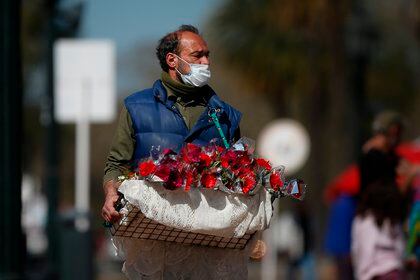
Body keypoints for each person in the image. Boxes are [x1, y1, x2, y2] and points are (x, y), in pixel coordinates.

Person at [101, 25, 245, 279]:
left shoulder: (226, 115)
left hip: (208, 250)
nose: (206, 61)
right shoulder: (136, 107)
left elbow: (240, 174)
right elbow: (115, 164)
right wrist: (111, 193)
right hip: (154, 245)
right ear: (172, 60)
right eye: (197, 55)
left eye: (207, 55)